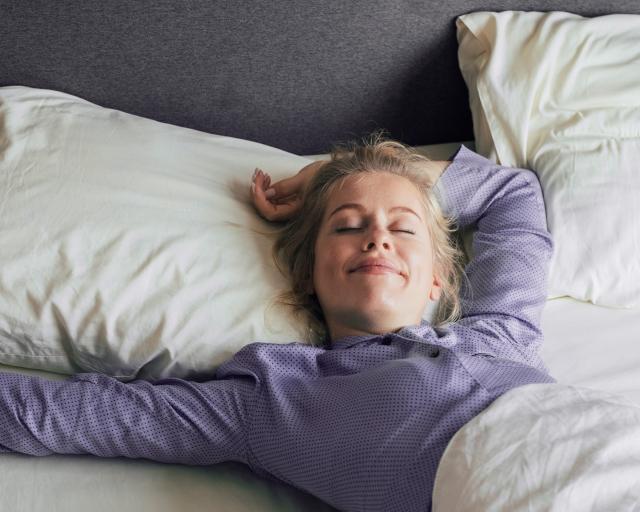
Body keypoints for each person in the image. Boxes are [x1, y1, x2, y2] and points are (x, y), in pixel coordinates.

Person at [0, 131, 555, 512]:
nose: (377, 236)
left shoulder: (500, 333)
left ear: (437, 278)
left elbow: (513, 194)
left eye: (403, 228)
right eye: (346, 225)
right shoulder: (272, 399)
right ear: (310, 274)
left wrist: (338, 178)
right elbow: (76, 416)